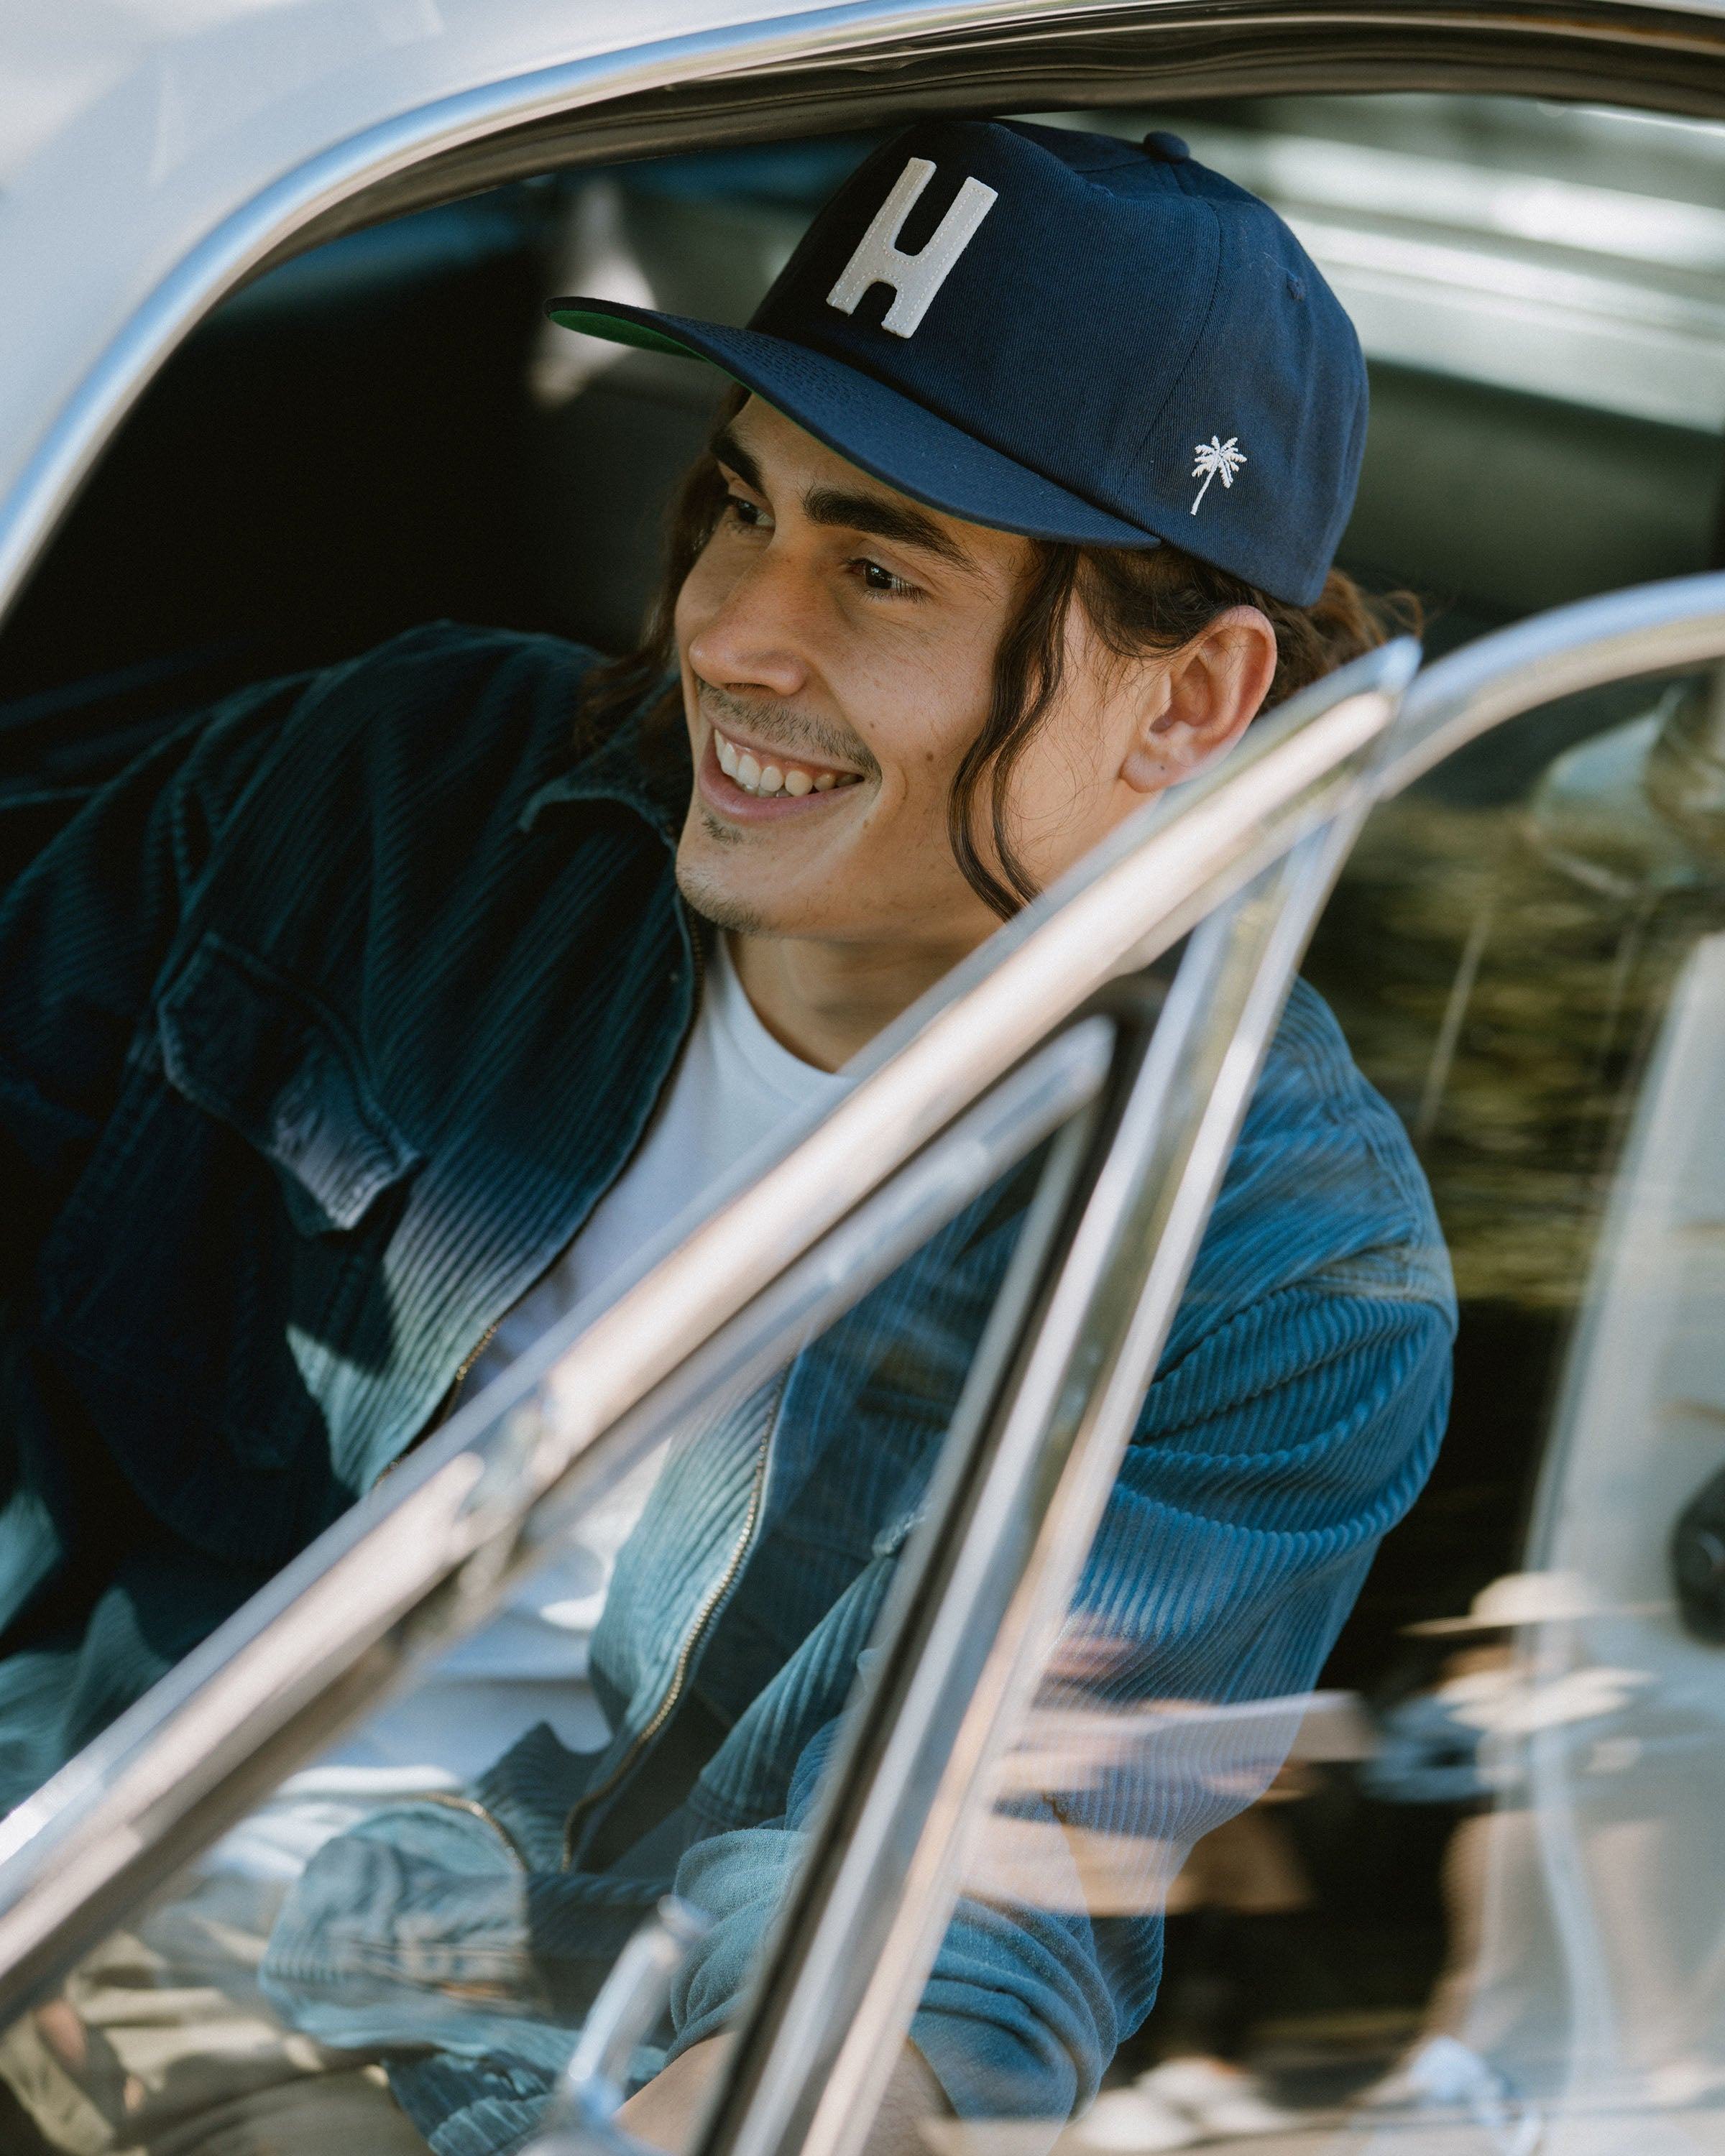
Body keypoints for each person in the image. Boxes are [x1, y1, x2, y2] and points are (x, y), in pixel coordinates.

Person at [0, 118, 1454, 2156]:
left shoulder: (1276, 1268)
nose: (728, 632)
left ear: (1189, 702)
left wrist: (768, 2101)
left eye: (875, 566)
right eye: (739, 508)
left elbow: (970, 1890)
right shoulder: (387, 787)